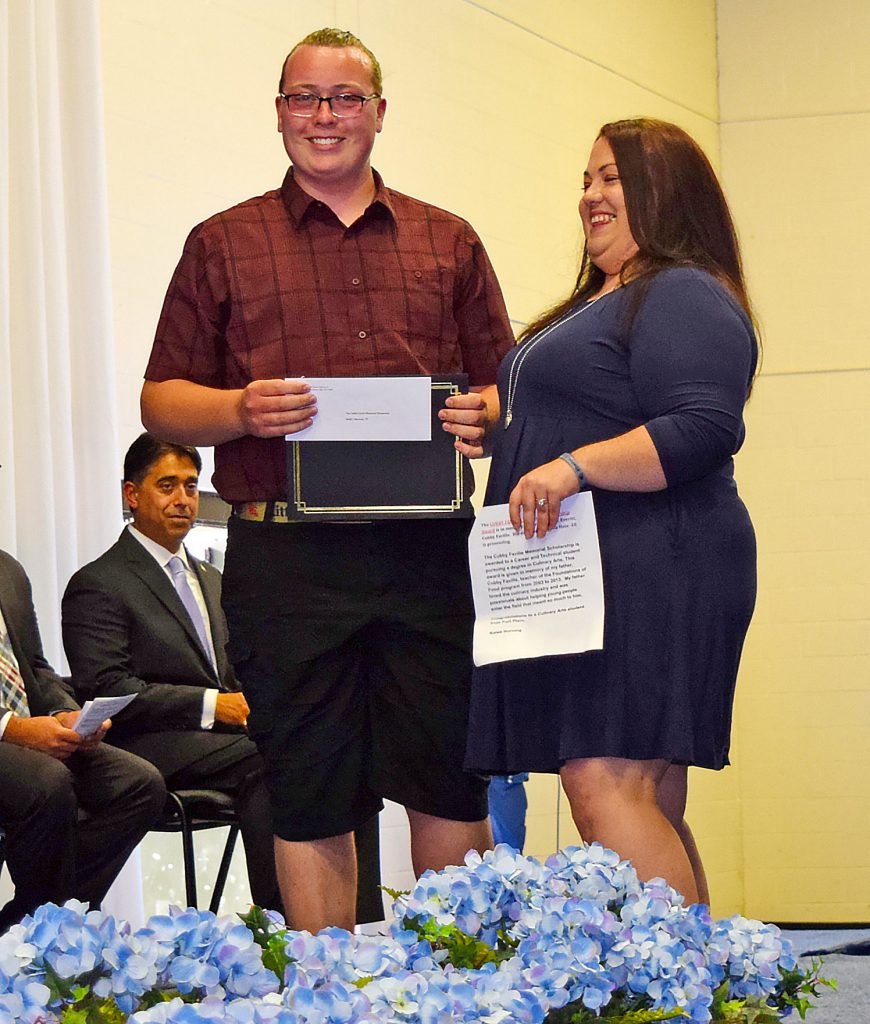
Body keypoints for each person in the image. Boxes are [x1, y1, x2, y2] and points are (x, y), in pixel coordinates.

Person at [139, 26, 513, 932]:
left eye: (346, 98)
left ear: (380, 113)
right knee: (309, 789)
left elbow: (508, 384)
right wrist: (239, 411)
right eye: (304, 97)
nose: (325, 116)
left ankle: (450, 989)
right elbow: (160, 400)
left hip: (426, 552)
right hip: (286, 556)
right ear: (278, 113)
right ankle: (329, 994)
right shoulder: (221, 244)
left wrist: (485, 415)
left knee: (449, 784)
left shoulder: (448, 240)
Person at [466, 118, 759, 905]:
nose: (591, 195)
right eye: (587, 179)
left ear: (665, 192)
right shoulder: (601, 299)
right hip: (595, 564)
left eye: (612, 179)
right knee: (638, 789)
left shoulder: (681, 290)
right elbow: (598, 398)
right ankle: (701, 991)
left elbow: (701, 426)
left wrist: (570, 466)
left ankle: (680, 991)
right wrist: (503, 420)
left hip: (655, 557)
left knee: (604, 777)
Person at [0, 547, 165, 933]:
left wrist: (65, 715)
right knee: (46, 781)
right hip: (14, 741)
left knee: (139, 784)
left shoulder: (7, 569)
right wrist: (13, 729)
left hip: (28, 734)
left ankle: (32, 922)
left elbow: (36, 669)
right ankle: (50, 935)